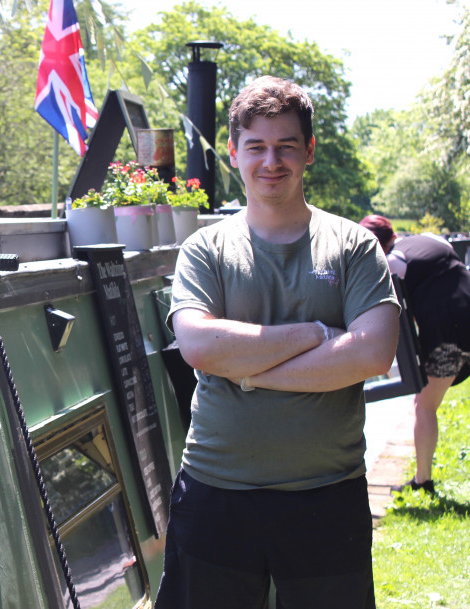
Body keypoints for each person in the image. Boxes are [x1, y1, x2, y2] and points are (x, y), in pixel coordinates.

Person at [156, 76, 400, 609]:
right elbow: (198, 343)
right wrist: (315, 334)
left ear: (308, 151)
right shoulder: (205, 249)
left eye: (286, 146)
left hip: (327, 499)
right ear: (233, 153)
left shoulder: (353, 246)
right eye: (257, 147)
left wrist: (244, 367)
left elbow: (372, 352)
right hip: (216, 492)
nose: (272, 161)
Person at [359, 214, 470, 495]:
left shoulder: (392, 262)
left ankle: (423, 481)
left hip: (448, 332)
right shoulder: (430, 239)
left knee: (425, 405)